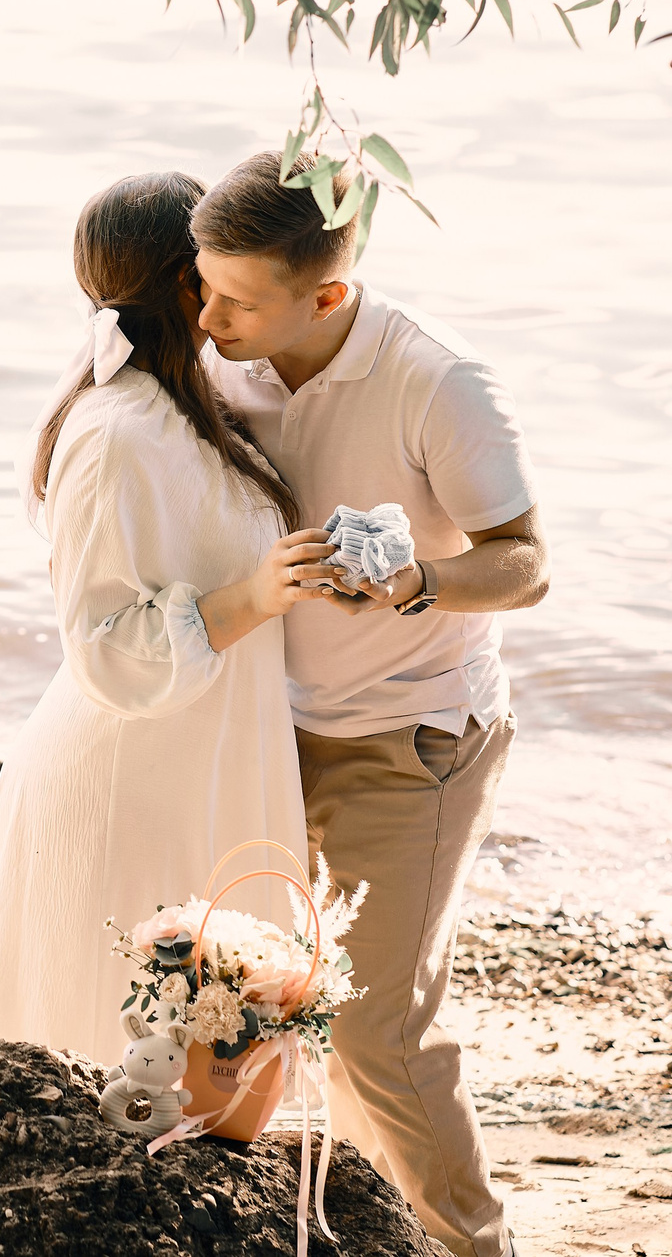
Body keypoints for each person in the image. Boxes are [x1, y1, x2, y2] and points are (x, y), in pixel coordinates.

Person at [193, 150, 550, 1257]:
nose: (205, 320)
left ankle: (468, 1247)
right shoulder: (225, 358)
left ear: (328, 296)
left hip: (414, 738)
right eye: (202, 289)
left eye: (235, 301)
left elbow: (526, 564)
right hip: (262, 727)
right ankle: (364, 1225)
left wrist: (416, 584)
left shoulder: (437, 381)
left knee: (375, 1030)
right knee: (245, 995)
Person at [0, 171, 341, 1065]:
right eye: (212, 266)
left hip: (208, 756)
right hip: (131, 776)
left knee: (205, 1058)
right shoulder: (116, 429)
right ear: (181, 280)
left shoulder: (194, 404)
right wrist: (254, 595)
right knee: (110, 1049)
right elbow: (102, 647)